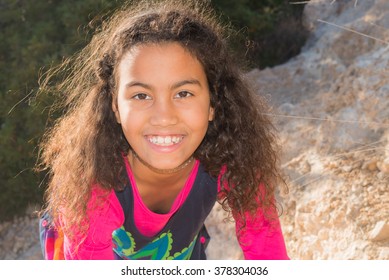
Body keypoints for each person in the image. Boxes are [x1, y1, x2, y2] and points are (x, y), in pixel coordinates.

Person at [37, 0, 289, 260]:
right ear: (114, 106)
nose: (164, 117)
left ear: (213, 103)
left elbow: (268, 252)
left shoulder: (232, 158)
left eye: (183, 93)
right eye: (141, 96)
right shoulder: (93, 186)